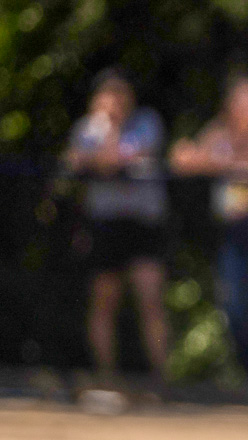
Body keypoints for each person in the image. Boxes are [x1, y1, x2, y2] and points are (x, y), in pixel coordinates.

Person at [169, 72, 248, 378]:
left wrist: (208, 160)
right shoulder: (217, 132)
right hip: (236, 233)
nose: (247, 109)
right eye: (241, 102)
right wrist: (205, 158)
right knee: (234, 305)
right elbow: (180, 158)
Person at [64, 69, 170, 377]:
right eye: (108, 95)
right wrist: (105, 128)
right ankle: (107, 378)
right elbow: (74, 160)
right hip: (104, 223)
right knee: (103, 302)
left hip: (143, 223)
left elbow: (117, 158)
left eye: (120, 94)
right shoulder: (87, 128)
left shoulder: (147, 122)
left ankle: (162, 379)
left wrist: (100, 151)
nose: (115, 101)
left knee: (150, 300)